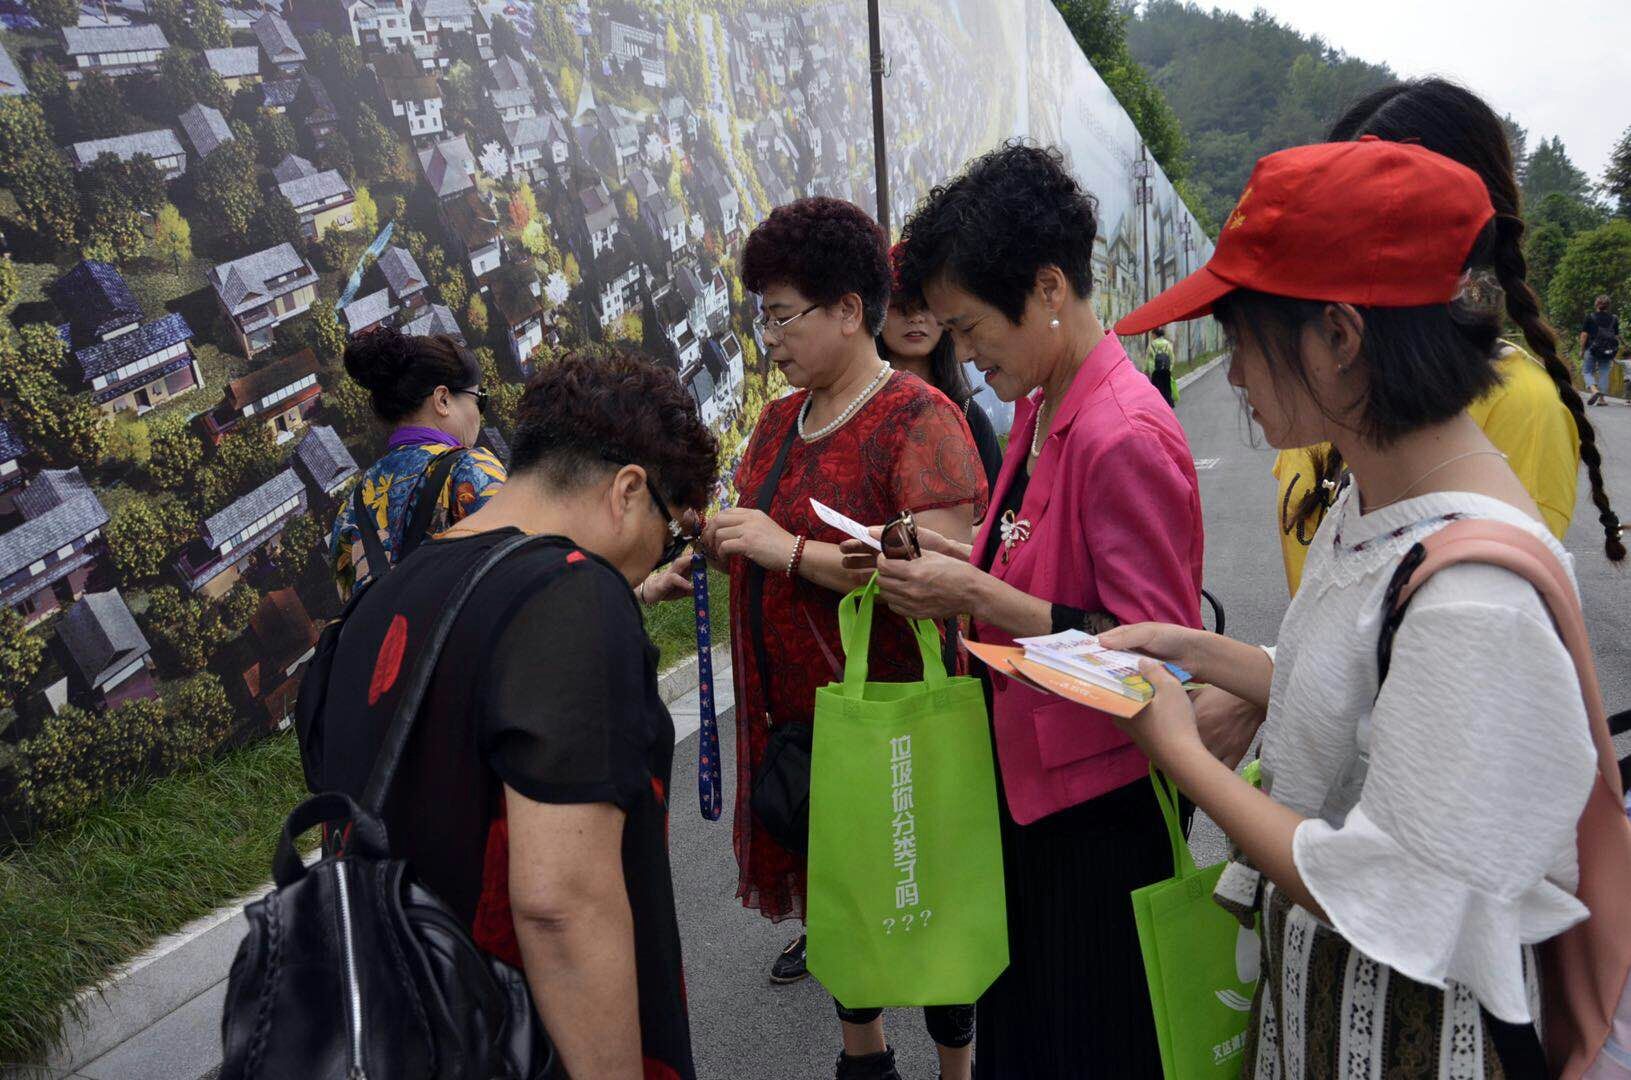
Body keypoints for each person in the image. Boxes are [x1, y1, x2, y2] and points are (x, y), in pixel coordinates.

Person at [1108, 138, 1597, 1078]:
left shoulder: (1473, 599)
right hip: (1327, 1003)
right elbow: (1369, 693)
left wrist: (1177, 753)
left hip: (1405, 1037)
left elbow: (1393, 886)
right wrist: (1195, 650)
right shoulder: (1376, 501)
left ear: (1338, 338)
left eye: (1242, 338)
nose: (1234, 374)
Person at [853, 143, 1205, 1078]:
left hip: (1098, 816)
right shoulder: (1047, 405)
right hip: (1029, 796)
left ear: (1047, 287)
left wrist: (974, 592)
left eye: (969, 328)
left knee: (1085, 1046)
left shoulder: (1120, 432)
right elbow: (1027, 556)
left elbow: (1157, 662)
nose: (965, 355)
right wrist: (948, 557)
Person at [319, 350, 717, 1079]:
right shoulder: (574, 595)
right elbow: (560, 906)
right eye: (672, 533)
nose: (661, 554)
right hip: (520, 1041)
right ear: (629, 490)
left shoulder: (387, 597)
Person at [1219, 77, 1624, 773]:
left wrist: (1210, 730)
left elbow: (1459, 665)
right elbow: (1354, 630)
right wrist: (1266, 684)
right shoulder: (1329, 398)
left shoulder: (1509, 411)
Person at [699, 196, 987, 1080]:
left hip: (897, 721)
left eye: (783, 317)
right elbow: (759, 534)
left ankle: (955, 1068)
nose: (770, 340)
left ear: (849, 310)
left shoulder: (917, 417)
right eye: (764, 319)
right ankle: (863, 1060)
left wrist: (785, 551)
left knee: (928, 908)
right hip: (799, 724)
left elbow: (935, 577)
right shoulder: (777, 422)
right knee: (843, 913)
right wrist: (715, 548)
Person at [328, 327, 508, 601]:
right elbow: (522, 573)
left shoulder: (349, 512)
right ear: (443, 399)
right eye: (479, 400)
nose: (479, 414)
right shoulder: (470, 470)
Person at [878, 246, 1004, 489]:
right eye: (901, 306)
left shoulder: (969, 416)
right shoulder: (858, 410)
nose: (915, 318)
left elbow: (999, 507)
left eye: (925, 306)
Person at [1581, 294, 1621, 405]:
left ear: (1596, 304)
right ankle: (1602, 400)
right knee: (1604, 372)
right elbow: (1616, 336)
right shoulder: (1614, 318)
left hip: (1592, 348)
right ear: (1608, 306)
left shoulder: (1590, 317)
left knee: (1587, 371)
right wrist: (1614, 351)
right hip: (1607, 350)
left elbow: (1584, 335)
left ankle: (1594, 390)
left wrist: (1582, 349)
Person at [1146, 326, 1177, 406]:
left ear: (1155, 334)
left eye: (1152, 334)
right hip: (1166, 370)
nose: (1151, 336)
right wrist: (1170, 368)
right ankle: (1168, 403)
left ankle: (1158, 404)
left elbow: (1148, 359)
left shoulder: (1151, 345)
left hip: (1155, 370)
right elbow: (1172, 357)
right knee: (1166, 387)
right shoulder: (1167, 344)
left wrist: (1146, 370)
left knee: (1156, 388)